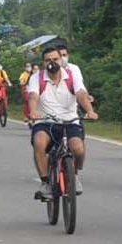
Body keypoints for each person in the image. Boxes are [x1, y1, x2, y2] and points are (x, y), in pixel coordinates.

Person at [28, 46, 98, 199]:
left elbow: (81, 93)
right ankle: (45, 182)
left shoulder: (72, 75)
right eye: (48, 60)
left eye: (55, 59)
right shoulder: (37, 78)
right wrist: (33, 111)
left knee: (78, 149)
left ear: (61, 60)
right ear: (43, 63)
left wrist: (90, 110)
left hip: (70, 120)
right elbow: (33, 96)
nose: (52, 63)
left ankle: (75, 175)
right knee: (39, 142)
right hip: (46, 121)